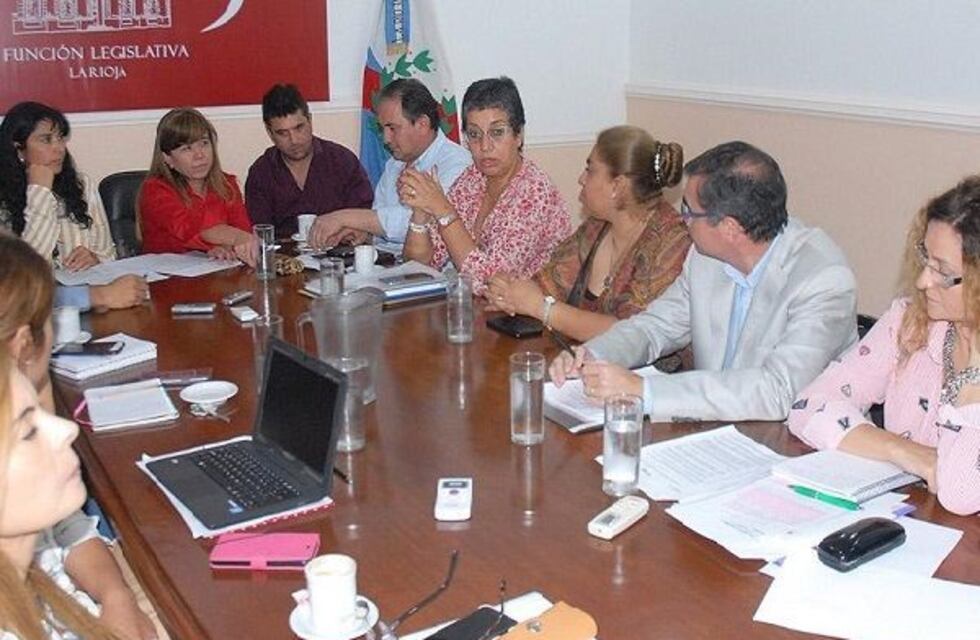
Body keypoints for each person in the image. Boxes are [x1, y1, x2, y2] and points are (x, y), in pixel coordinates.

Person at [550, 141, 857, 422]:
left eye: (688, 212)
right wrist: (594, 355)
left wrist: (646, 391)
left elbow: (777, 391)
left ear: (729, 228)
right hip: (715, 437)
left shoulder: (823, 280)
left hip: (796, 448)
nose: (681, 221)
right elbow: (654, 327)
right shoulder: (704, 259)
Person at [788, 177, 980, 516]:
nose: (923, 281)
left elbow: (960, 494)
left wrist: (973, 377)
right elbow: (809, 406)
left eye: (943, 272)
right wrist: (911, 454)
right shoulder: (910, 322)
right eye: (926, 260)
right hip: (910, 526)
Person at [0, 235, 160, 639]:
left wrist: (117, 598)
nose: (67, 428)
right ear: (23, 343)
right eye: (29, 427)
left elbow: (68, 527)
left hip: (75, 599)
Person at [486, 126, 691, 342]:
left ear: (617, 186)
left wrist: (540, 307)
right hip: (581, 364)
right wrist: (509, 292)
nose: (581, 179)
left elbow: (633, 333)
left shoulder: (670, 242)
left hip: (645, 374)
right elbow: (549, 283)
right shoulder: (596, 226)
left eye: (590, 170)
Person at [400, 77, 571, 294]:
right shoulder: (472, 179)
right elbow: (419, 268)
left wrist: (443, 209)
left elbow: (490, 282)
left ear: (519, 135)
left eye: (497, 132)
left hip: (530, 321)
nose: (485, 146)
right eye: (474, 134)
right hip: (484, 314)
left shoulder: (535, 191)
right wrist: (420, 215)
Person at [307, 79, 471, 254]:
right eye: (382, 129)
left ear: (422, 124)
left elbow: (420, 222)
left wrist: (343, 217)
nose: (385, 139)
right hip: (388, 265)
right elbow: (382, 221)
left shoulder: (457, 163)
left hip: (434, 271)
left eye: (392, 128)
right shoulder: (395, 164)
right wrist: (364, 233)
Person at [245, 84, 373, 237]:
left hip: (339, 256)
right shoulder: (261, 173)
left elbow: (364, 216)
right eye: (282, 133)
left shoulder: (342, 161)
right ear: (270, 132)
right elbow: (261, 234)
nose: (294, 140)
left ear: (310, 120)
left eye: (299, 128)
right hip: (284, 258)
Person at [0, 102, 115, 270]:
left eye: (60, 137)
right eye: (46, 140)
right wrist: (39, 191)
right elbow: (29, 272)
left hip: (85, 291)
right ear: (18, 149)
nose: (59, 148)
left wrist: (95, 260)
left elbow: (109, 257)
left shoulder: (81, 184)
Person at [138, 108, 256, 266]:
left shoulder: (227, 184)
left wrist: (223, 247)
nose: (199, 155)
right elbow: (190, 229)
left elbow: (242, 230)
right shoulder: (155, 190)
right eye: (187, 148)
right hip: (166, 281)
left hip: (217, 280)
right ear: (167, 158)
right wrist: (235, 239)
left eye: (204, 144)